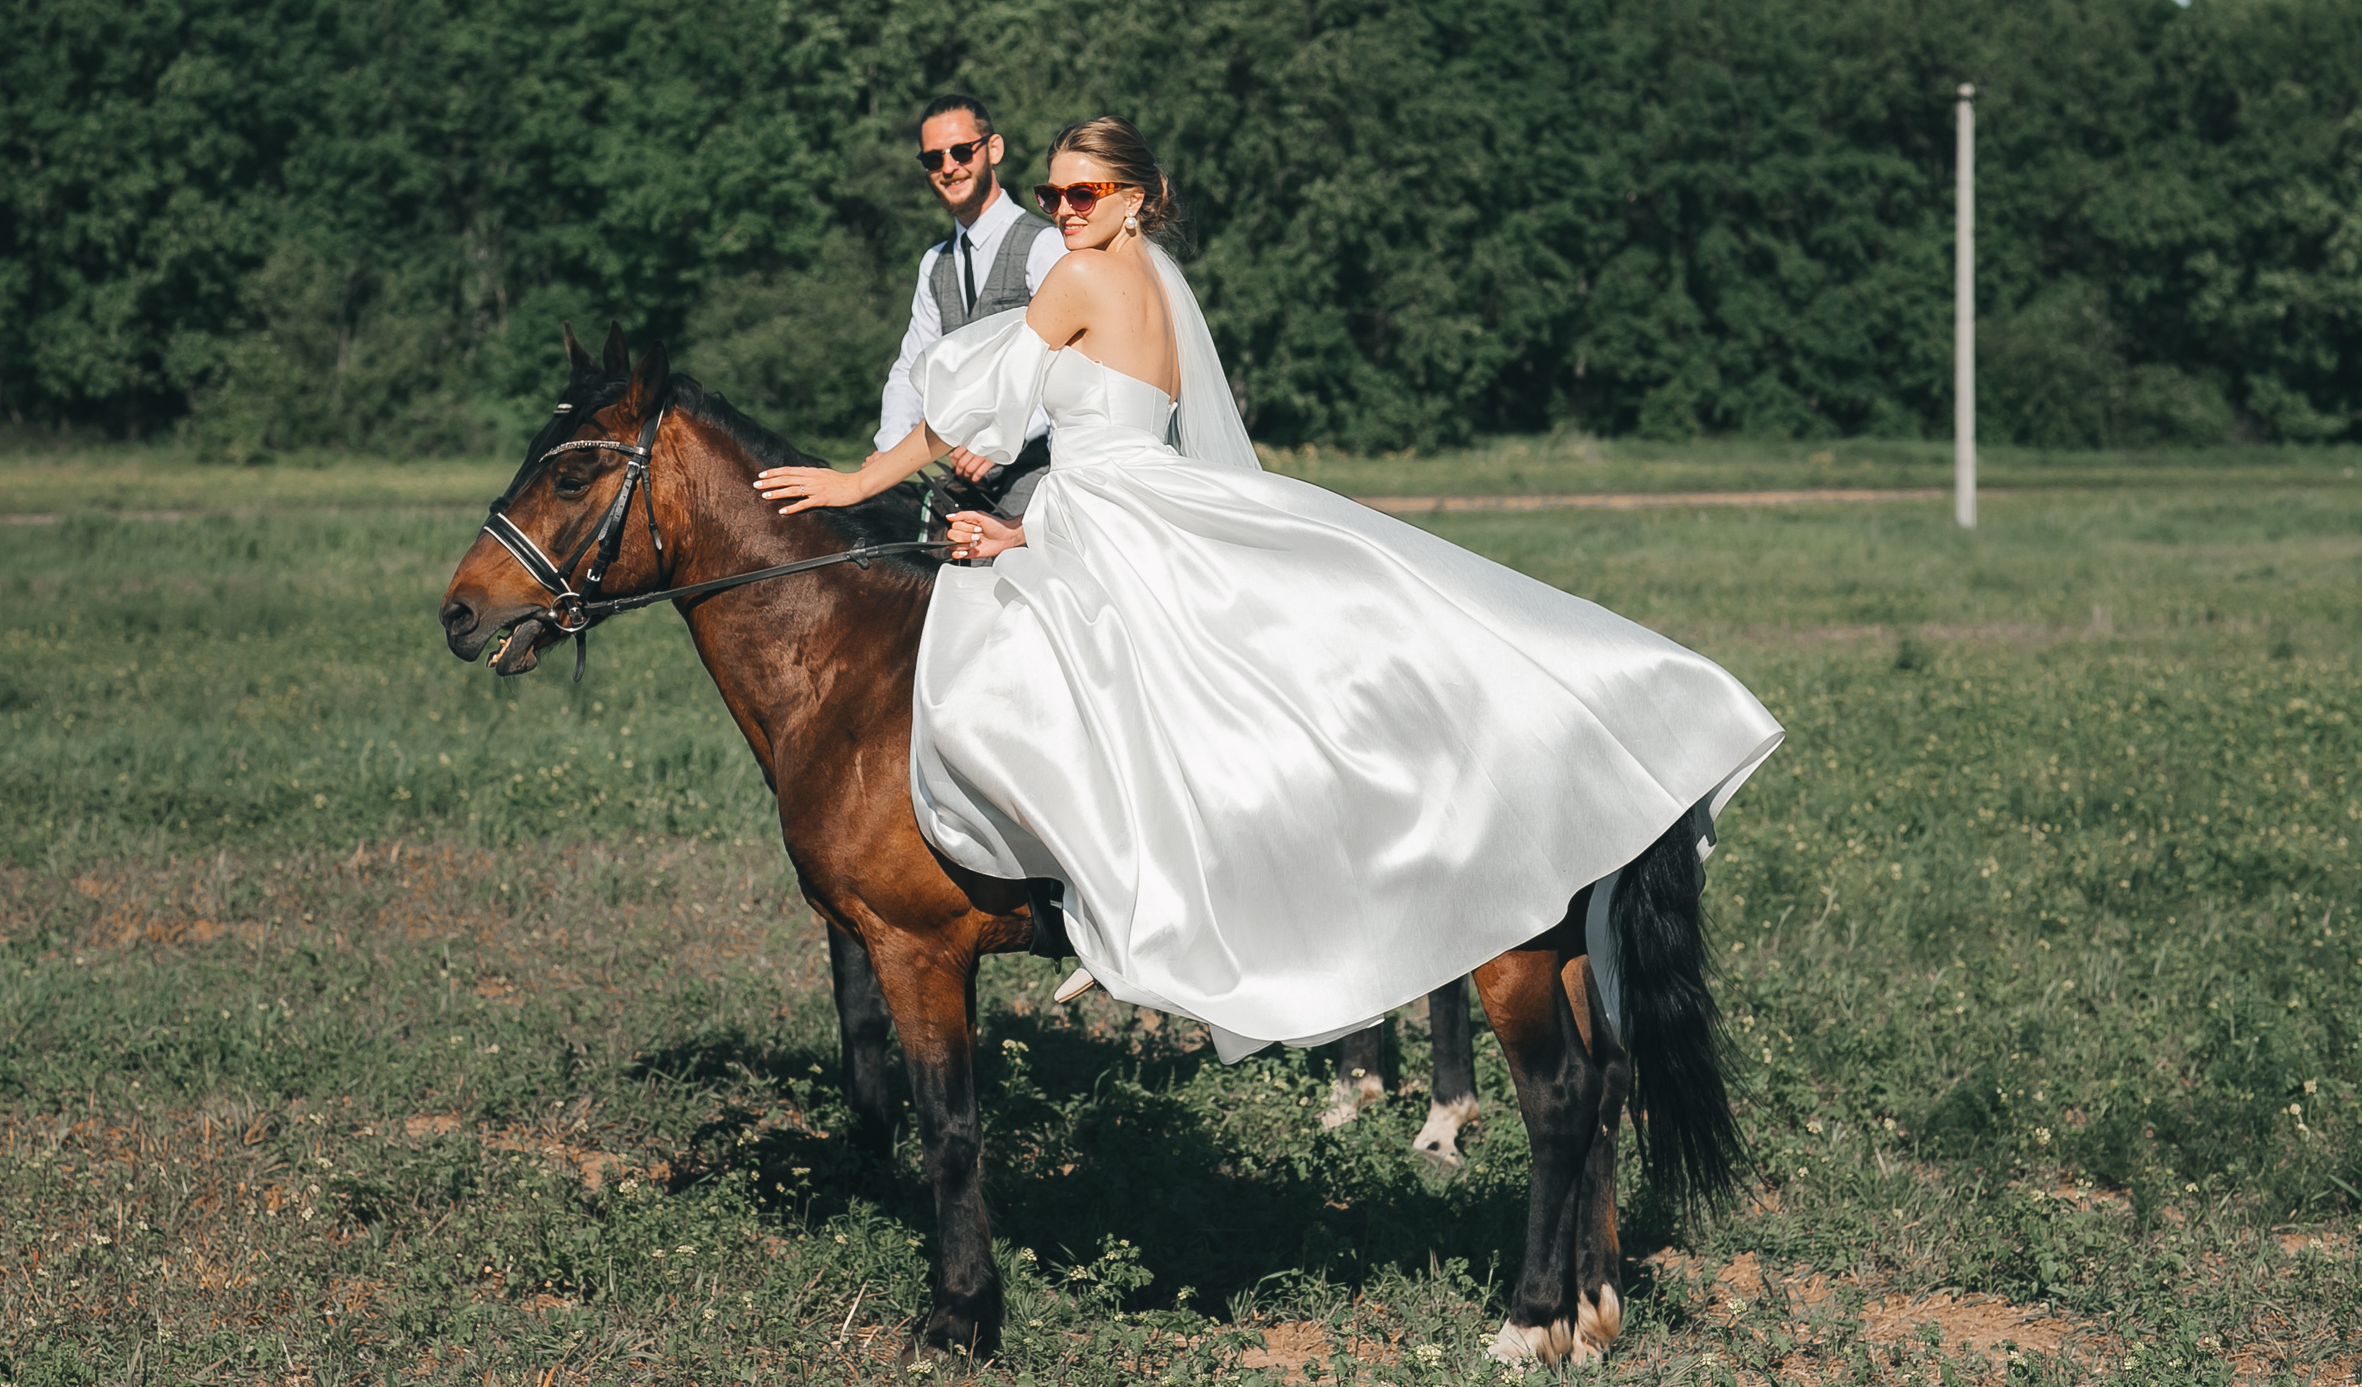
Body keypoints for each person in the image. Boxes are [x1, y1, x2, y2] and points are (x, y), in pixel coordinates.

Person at [756, 117, 1783, 1061]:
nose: (1064, 212)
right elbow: (1117, 439)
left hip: (1110, 517)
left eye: (1083, 195)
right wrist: (1029, 525)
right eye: (1055, 194)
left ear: (1132, 198)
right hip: (1139, 507)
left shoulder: (1073, 282)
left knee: (1002, 688)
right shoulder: (1157, 282)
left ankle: (1102, 903)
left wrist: (852, 484)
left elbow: (969, 415)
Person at [877, 93, 1067, 525]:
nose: (948, 167)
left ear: (993, 149)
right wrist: (890, 455)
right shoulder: (934, 262)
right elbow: (911, 368)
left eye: (962, 151)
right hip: (961, 479)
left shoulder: (1043, 245)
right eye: (932, 159)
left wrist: (1002, 439)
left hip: (1040, 466)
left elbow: (1070, 366)